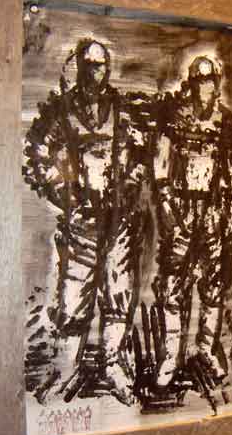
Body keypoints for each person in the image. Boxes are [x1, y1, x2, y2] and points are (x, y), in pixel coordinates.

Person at [24, 39, 149, 405]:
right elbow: (36, 153)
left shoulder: (122, 109)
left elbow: (141, 155)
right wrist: (63, 194)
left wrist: (129, 187)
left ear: (107, 69)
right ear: (79, 67)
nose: (95, 72)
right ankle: (66, 369)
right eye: (89, 65)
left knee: (118, 293)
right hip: (82, 222)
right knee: (74, 297)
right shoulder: (62, 110)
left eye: (101, 65)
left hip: (118, 221)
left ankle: (112, 366)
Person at [149, 55, 232, 407]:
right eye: (200, 80)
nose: (206, 87)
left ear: (216, 84)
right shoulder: (174, 117)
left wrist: (229, 209)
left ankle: (205, 350)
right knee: (173, 285)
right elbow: (160, 164)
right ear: (191, 83)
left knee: (213, 285)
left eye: (210, 80)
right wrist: (168, 205)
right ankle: (170, 357)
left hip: (213, 211)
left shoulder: (226, 121)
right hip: (183, 210)